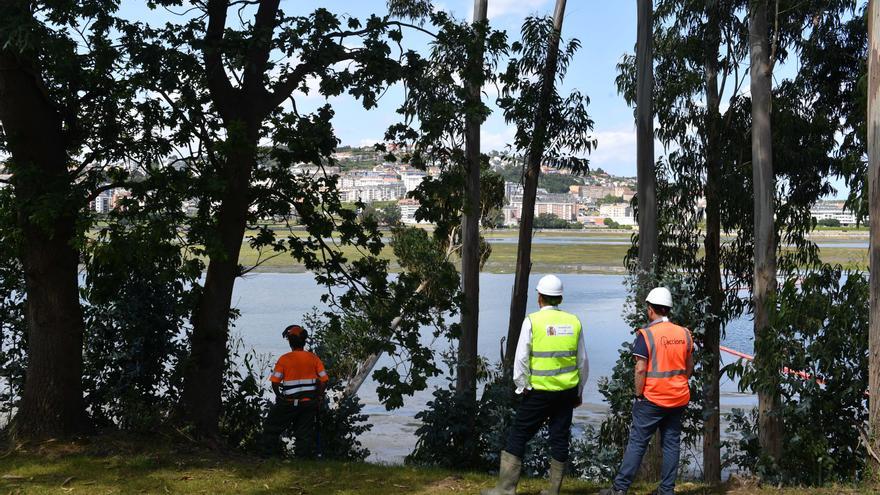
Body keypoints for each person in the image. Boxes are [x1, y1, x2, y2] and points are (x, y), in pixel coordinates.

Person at [483, 274, 588, 495]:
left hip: (538, 391)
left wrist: (522, 386)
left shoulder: (532, 321)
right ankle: (552, 491)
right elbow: (583, 362)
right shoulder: (574, 321)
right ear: (559, 298)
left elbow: (521, 358)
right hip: (566, 392)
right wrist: (578, 391)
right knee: (559, 438)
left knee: (519, 434)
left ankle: (505, 490)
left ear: (540, 297)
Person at [600, 287, 694, 495]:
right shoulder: (685, 334)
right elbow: (689, 367)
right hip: (678, 397)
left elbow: (640, 368)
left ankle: (620, 488)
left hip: (652, 398)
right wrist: (678, 383)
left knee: (637, 443)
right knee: (671, 443)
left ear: (651, 310)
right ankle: (666, 490)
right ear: (668, 309)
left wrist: (639, 394)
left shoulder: (646, 335)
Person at [258, 324, 329, 458]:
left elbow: (275, 382)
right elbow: (324, 380)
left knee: (271, 428)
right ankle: (302, 461)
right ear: (304, 341)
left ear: (290, 342)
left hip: (289, 403)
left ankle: (268, 456)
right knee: (304, 434)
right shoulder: (313, 358)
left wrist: (279, 396)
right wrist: (319, 397)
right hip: (309, 403)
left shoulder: (285, 359)